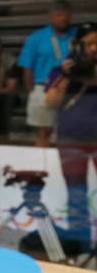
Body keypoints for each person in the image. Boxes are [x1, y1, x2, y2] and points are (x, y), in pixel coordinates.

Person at [44, 23, 97, 248]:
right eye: (89, 44)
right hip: (71, 139)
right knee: (76, 194)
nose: (94, 48)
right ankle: (80, 242)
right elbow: (51, 103)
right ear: (78, 46)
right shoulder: (62, 70)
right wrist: (67, 76)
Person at [19, 0, 76, 147]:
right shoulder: (36, 39)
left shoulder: (77, 36)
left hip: (72, 89)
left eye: (66, 15)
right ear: (51, 17)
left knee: (69, 133)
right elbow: (27, 68)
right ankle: (40, 166)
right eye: (59, 15)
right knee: (44, 132)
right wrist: (33, 91)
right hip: (44, 87)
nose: (64, 18)